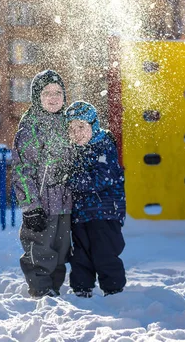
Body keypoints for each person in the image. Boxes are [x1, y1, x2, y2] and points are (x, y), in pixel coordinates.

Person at [11, 69, 73, 298]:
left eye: (58, 92)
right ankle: (40, 288)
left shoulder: (69, 123)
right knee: (40, 247)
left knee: (61, 248)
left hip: (65, 202)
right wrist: (30, 206)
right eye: (47, 93)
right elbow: (21, 171)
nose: (53, 97)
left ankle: (54, 287)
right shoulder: (30, 129)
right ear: (37, 97)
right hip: (41, 204)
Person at [65, 101, 127, 298]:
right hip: (81, 216)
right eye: (72, 129)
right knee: (80, 256)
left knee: (105, 254)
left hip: (105, 214)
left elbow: (101, 178)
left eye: (81, 127)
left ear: (94, 125)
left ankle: (114, 290)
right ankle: (81, 289)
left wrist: (71, 180)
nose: (77, 133)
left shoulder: (104, 147)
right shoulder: (74, 151)